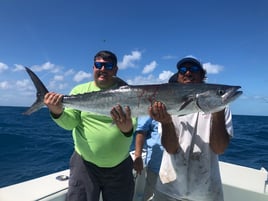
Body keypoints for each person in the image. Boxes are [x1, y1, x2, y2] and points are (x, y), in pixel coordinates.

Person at [43, 50, 137, 201]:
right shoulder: (79, 91)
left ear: (115, 69)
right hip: (85, 165)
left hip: (120, 167)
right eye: (98, 65)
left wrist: (126, 128)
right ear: (93, 67)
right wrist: (57, 112)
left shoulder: (128, 92)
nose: (102, 69)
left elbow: (130, 127)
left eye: (108, 65)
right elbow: (70, 123)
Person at [149, 57, 233, 201]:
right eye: (183, 70)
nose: (187, 72)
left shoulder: (223, 108)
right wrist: (166, 122)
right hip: (169, 189)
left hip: (206, 193)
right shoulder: (167, 104)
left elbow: (219, 149)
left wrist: (217, 110)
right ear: (179, 76)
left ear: (202, 76)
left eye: (193, 69)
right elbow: (171, 149)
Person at [133, 116, 163, 201]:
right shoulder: (151, 105)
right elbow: (141, 130)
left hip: (181, 166)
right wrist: (138, 155)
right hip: (156, 165)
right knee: (150, 196)